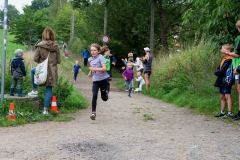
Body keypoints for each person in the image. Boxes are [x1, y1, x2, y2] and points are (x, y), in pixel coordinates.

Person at [28, 27, 61, 115]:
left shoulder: (40, 46)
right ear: (52, 35)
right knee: (49, 89)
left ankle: (34, 90)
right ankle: (45, 110)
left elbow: (35, 59)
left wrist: (42, 61)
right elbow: (59, 61)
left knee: (32, 71)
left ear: (43, 35)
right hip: (52, 71)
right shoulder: (56, 46)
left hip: (42, 70)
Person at [88, 43, 110, 120]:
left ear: (98, 51)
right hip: (95, 81)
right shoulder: (90, 59)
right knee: (94, 95)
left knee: (104, 98)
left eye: (94, 50)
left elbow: (104, 69)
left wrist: (94, 69)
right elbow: (92, 68)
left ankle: (106, 91)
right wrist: (90, 73)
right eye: (91, 50)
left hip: (104, 80)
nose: (93, 52)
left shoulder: (101, 58)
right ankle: (93, 112)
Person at [225, 20, 240, 120]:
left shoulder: (239, 38)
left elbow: (238, 54)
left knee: (239, 91)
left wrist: (227, 53)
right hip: (237, 67)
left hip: (238, 68)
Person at [214, 44, 234, 118]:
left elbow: (222, 71)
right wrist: (217, 71)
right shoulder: (224, 58)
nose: (221, 50)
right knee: (222, 96)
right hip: (221, 79)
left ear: (227, 50)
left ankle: (229, 113)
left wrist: (217, 72)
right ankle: (222, 112)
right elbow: (218, 68)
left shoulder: (230, 59)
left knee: (227, 95)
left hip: (227, 80)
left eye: (222, 48)